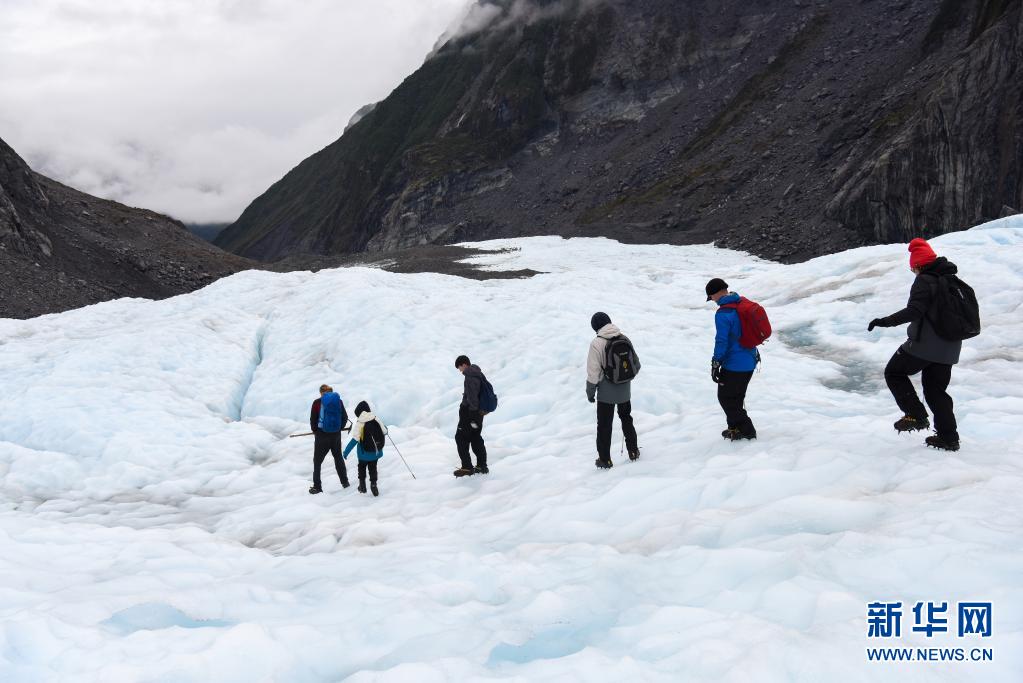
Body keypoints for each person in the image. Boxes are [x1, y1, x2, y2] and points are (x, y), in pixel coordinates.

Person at [868, 238, 963, 451]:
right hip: (950, 347)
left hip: (925, 344)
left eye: (913, 268)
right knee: (936, 391)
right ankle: (949, 438)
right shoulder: (951, 280)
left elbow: (914, 311)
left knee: (894, 372)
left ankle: (916, 415)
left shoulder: (924, 281)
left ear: (919, 265)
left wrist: (884, 321)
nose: (913, 272)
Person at [706, 278, 758, 440]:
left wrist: (716, 363)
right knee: (736, 397)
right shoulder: (740, 303)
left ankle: (747, 431)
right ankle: (734, 428)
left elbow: (722, 341)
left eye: (711, 297)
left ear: (716, 293)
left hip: (735, 365)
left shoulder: (723, 313)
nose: (712, 300)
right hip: (750, 359)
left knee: (726, 398)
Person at [586, 312, 640, 468]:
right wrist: (624, 380)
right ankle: (633, 451)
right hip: (625, 391)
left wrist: (590, 393)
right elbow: (636, 365)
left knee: (604, 425)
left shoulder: (596, 343)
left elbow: (593, 373)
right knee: (626, 418)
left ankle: (605, 460)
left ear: (595, 327)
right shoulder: (624, 338)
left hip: (606, 393)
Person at [309, 384, 350, 493]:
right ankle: (345, 482)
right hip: (336, 435)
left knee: (317, 462)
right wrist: (339, 428)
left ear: (321, 393)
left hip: (321, 436)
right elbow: (345, 417)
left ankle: (317, 487)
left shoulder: (317, 402)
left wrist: (316, 432)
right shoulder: (338, 401)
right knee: (338, 457)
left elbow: (313, 420)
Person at [453, 355, 489, 477]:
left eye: (459, 367)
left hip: (470, 414)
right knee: (475, 437)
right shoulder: (478, 373)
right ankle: (482, 466)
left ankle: (467, 467)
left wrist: (472, 417)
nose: (460, 370)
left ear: (464, 364)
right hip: (478, 414)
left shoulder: (470, 377)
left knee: (460, 438)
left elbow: (473, 398)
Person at [343, 401, 386, 496]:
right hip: (375, 452)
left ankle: (362, 486)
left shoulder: (360, 423)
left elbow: (354, 440)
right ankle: (374, 485)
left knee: (361, 467)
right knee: (373, 467)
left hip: (363, 454)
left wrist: (346, 452)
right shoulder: (375, 418)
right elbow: (385, 431)